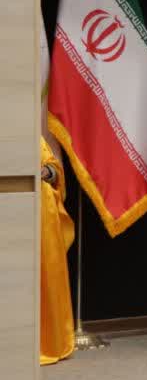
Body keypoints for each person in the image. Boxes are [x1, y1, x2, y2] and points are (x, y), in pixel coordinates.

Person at [39, 138, 75, 365]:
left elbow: (54, 170)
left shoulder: (28, 134)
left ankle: (49, 340)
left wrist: (47, 172)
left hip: (40, 215)